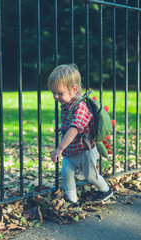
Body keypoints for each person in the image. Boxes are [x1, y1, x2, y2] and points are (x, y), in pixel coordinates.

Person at [48, 63, 113, 206]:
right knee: (66, 173)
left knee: (91, 176)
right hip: (72, 150)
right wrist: (62, 128)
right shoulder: (67, 105)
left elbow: (75, 129)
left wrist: (59, 149)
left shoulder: (80, 107)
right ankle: (72, 202)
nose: (56, 96)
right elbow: (72, 124)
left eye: (59, 93)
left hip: (84, 150)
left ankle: (106, 190)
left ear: (74, 89)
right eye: (53, 93)